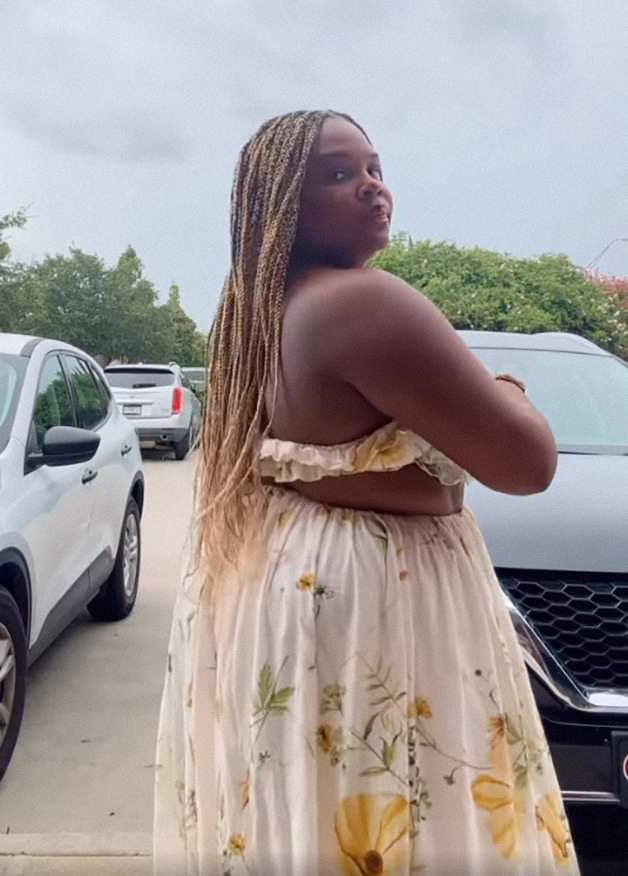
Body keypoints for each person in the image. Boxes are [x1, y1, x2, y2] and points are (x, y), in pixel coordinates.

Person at [154, 110, 579, 876]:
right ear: (279, 202)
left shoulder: (251, 318)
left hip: (282, 606)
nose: (373, 187)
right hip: (372, 622)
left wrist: (417, 482)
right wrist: (508, 392)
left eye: (376, 168)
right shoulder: (365, 304)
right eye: (339, 174)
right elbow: (527, 463)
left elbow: (313, 466)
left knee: (312, 820)